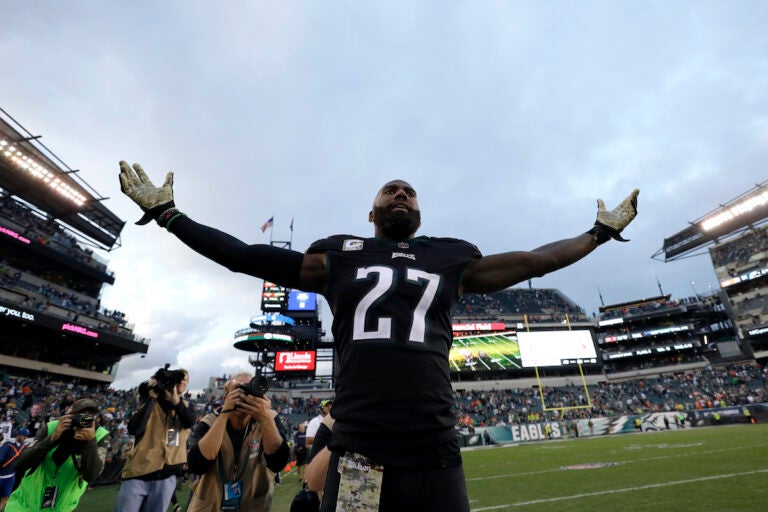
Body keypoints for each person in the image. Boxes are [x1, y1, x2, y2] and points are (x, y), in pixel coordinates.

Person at [119, 162, 639, 511]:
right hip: (361, 447)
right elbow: (244, 256)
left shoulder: (450, 256)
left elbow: (535, 262)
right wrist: (169, 216)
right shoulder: (339, 254)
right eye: (390, 191)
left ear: (418, 213)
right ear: (372, 215)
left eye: (409, 192)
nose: (400, 194)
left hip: (433, 443)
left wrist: (599, 234)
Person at [186, 372, 289, 511]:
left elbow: (278, 463)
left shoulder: (269, 419)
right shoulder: (209, 422)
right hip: (210, 505)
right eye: (238, 389)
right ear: (226, 397)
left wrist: (265, 419)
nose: (245, 396)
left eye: (250, 390)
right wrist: (224, 414)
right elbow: (197, 465)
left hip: (253, 506)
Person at [113, 368, 195, 512]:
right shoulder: (150, 401)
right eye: (179, 378)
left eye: (185, 380)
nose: (182, 381)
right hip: (138, 471)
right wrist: (152, 398)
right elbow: (134, 428)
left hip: (167, 474)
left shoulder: (187, 407)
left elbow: (188, 422)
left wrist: (176, 401)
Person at [5, 398, 109, 512]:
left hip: (62, 507)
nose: (83, 420)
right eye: (79, 415)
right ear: (69, 415)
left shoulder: (99, 435)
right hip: (24, 504)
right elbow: (20, 464)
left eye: (90, 416)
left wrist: (90, 442)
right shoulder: (53, 427)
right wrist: (51, 439)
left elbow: (91, 476)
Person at [0, 428, 29, 511]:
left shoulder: (23, 447)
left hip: (11, 476)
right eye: (24, 436)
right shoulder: (8, 445)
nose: (25, 438)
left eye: (26, 436)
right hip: (1, 475)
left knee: (6, 496)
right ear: (19, 435)